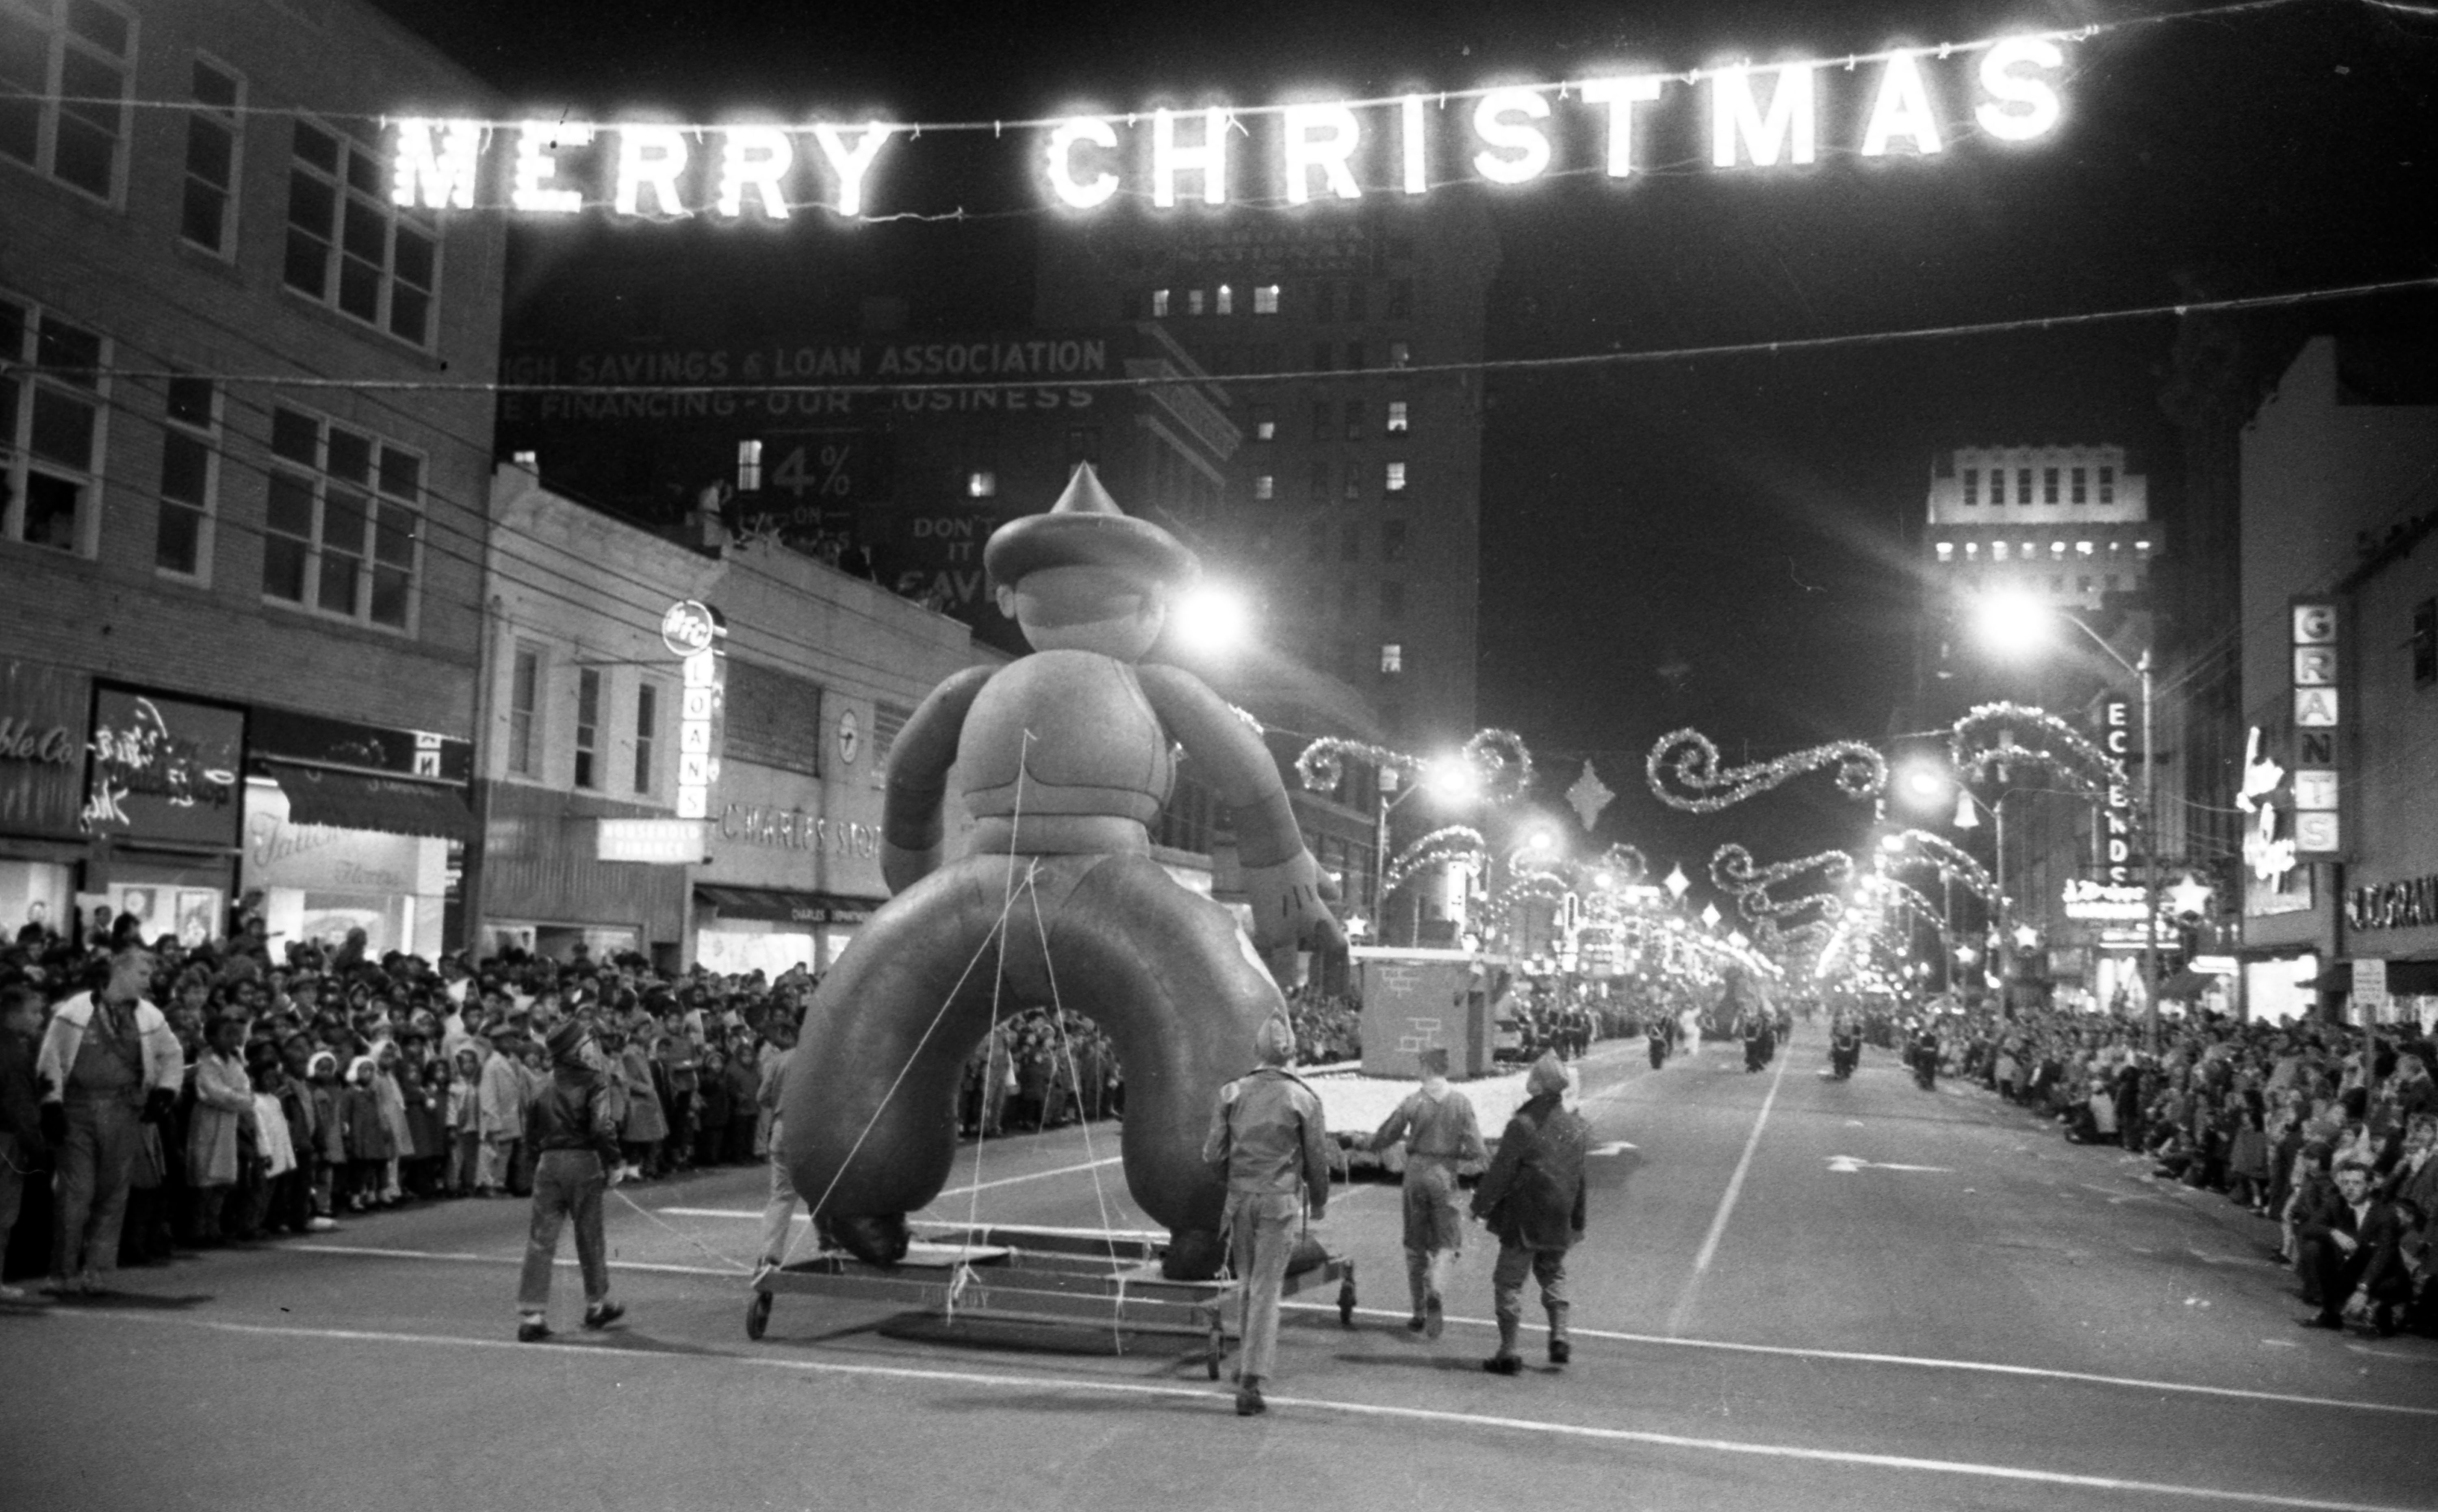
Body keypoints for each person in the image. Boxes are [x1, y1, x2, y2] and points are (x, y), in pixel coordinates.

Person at [1201, 1014, 1330, 1417]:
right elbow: (1317, 1161)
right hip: (1278, 1202)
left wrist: (1236, 1180)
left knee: (1247, 1285)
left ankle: (1245, 1363)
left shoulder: (1232, 1092)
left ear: (1257, 1051)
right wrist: (1321, 1200)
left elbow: (1212, 1155)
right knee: (1266, 1289)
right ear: (1290, 1053)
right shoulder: (1303, 1098)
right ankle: (1252, 1381)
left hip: (1240, 1200)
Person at [36, 943, 182, 1294]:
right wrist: (51, 1102)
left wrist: (165, 1092)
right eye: (142, 974)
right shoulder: (74, 1009)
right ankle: (62, 1271)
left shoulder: (149, 1016)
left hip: (124, 1110)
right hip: (78, 1109)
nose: (148, 982)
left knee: (113, 1193)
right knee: (77, 1191)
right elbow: (50, 1057)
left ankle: (95, 1270)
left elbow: (173, 1055)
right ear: (119, 971)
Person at [1471, 1053, 1588, 1374]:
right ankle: (1560, 1335)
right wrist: (1576, 1221)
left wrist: (1480, 1206)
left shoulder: (1522, 1125)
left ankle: (1508, 1351)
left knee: (1509, 1281)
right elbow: (1580, 1179)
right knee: (1553, 1272)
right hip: (1559, 1216)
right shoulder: (1576, 1126)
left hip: (1524, 1215)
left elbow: (1501, 1172)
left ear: (1537, 1084)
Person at [516, 1017, 625, 1342]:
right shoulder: (594, 1081)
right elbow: (601, 1127)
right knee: (590, 1235)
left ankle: (532, 1314)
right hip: (583, 1160)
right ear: (577, 1048)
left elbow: (531, 1132)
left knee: (541, 1239)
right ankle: (596, 1303)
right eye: (588, 1042)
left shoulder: (541, 1083)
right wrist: (615, 1160)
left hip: (548, 1163)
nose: (593, 1047)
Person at [1366, 1046, 1487, 1338]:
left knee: (1414, 1245)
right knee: (1448, 1242)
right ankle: (1436, 1287)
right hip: (1445, 1175)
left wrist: (1369, 1145)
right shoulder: (1461, 1103)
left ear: (1427, 1068)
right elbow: (1477, 1151)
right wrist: (1451, 1153)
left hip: (1416, 1173)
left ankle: (1418, 1312)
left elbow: (1388, 1134)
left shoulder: (1414, 1101)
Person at [0, 983, 49, 1299]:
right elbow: (20, 1106)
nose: (40, 1018)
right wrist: (38, 1148)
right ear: (13, 1014)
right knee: (3, 1214)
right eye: (34, 1012)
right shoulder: (14, 1052)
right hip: (6, 1140)